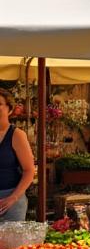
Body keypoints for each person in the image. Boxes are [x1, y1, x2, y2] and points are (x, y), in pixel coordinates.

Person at [0, 90, 35, 221]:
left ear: (9, 109)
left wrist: (12, 198)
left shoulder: (17, 135)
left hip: (11, 202)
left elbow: (29, 170)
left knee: (12, 242)